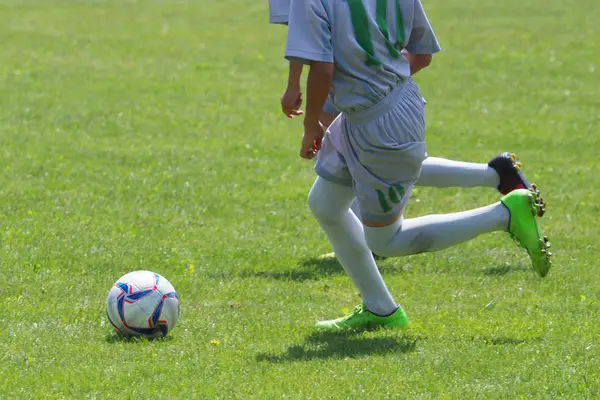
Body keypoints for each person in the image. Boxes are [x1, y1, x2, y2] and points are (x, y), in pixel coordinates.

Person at [283, 0, 551, 330]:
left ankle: (504, 214)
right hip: (386, 105)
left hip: (375, 121)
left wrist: (313, 123)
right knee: (325, 204)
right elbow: (422, 55)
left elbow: (322, 69)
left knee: (384, 241)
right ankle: (380, 308)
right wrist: (380, 79)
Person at [269, 0, 545, 212]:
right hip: (381, 89)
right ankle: (497, 174)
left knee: (375, 178)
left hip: (362, 90)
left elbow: (312, 44)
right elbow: (422, 56)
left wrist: (363, 89)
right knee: (369, 163)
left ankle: (369, 238)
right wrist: (294, 82)